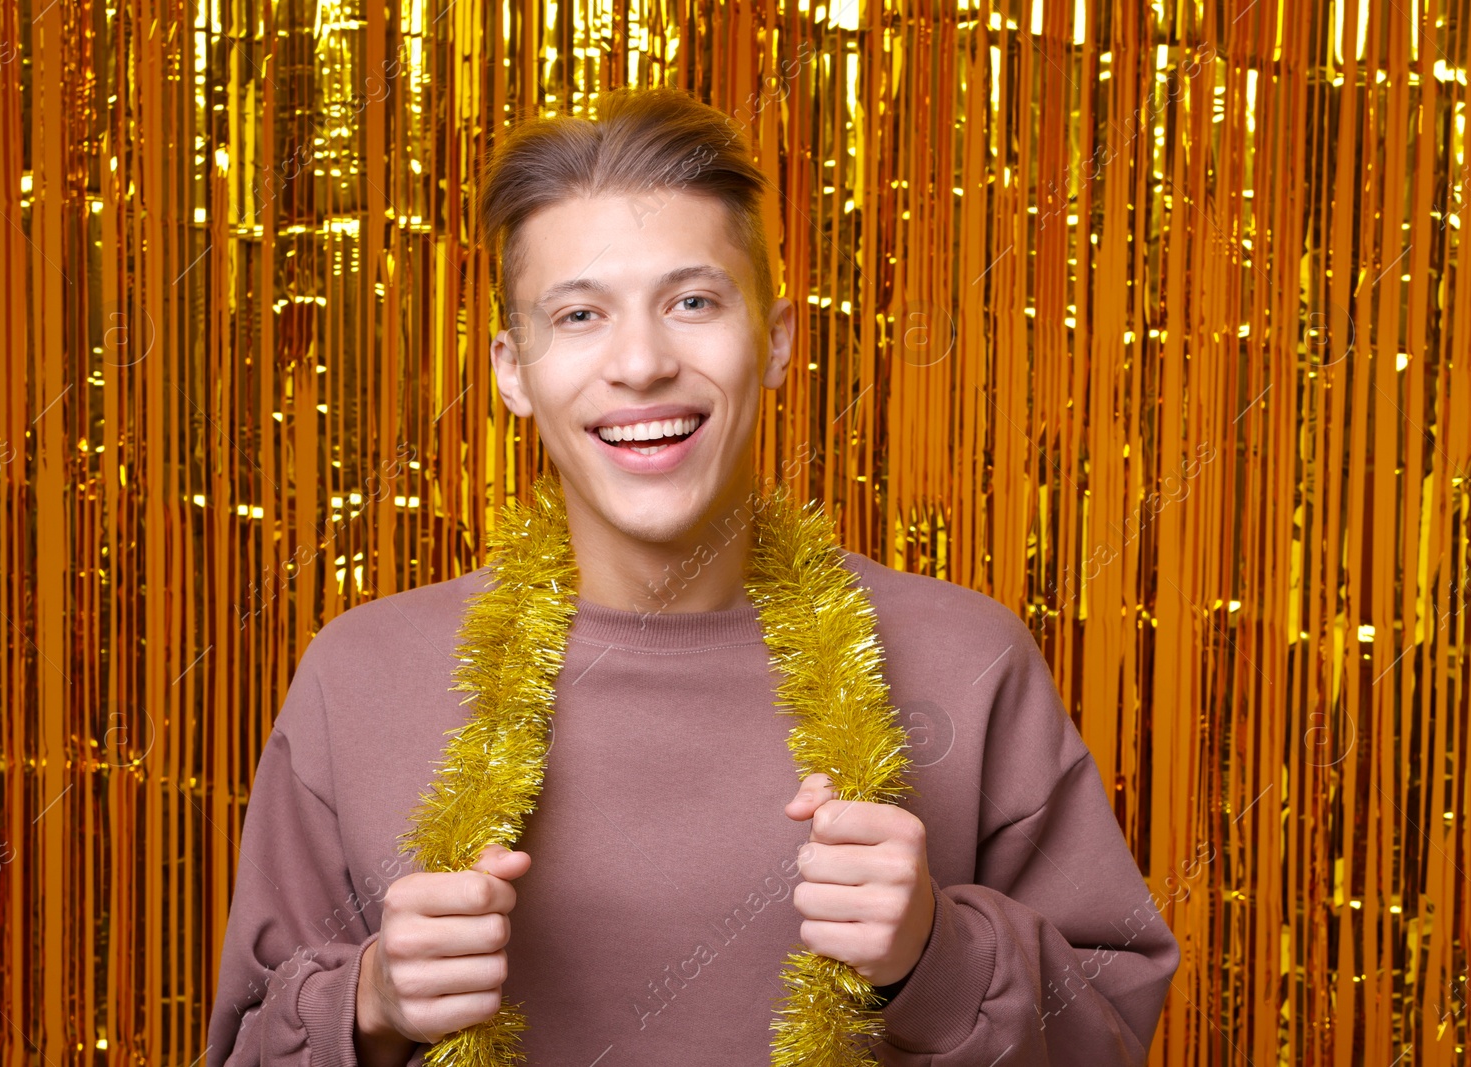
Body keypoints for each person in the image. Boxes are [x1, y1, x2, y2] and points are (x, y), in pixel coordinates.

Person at [205, 86, 1179, 1067]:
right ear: (512, 370)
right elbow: (242, 1045)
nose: (640, 362)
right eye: (579, 313)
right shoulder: (359, 675)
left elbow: (1110, 1035)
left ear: (778, 339)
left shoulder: (968, 658)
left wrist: (938, 951)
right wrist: (367, 1005)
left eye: (692, 302)